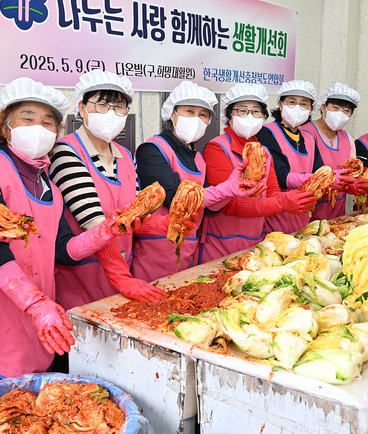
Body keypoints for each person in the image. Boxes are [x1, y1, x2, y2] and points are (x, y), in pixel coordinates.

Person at [0, 78, 134, 407]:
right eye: (27, 118)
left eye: (48, 122)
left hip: (27, 332)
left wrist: (104, 232)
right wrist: (36, 304)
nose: (38, 128)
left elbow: (62, 250)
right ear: (5, 127)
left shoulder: (49, 186)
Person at [50, 70, 167, 308]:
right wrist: (122, 278)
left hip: (122, 268)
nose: (111, 113)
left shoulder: (125, 155)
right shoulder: (65, 152)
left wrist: (165, 224)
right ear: (82, 108)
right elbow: (93, 223)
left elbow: (133, 216)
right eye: (102, 105)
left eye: (119, 107)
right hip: (83, 277)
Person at [133, 80, 257, 281]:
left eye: (203, 115)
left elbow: (209, 209)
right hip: (155, 249)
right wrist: (226, 189)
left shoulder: (198, 158)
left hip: (188, 249)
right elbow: (175, 199)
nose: (196, 119)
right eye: (189, 111)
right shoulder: (152, 150)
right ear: (172, 114)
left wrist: (232, 189)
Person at [199, 83, 317, 263]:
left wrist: (296, 198)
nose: (250, 116)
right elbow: (230, 205)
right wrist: (283, 204)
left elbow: (272, 192)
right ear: (229, 115)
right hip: (221, 242)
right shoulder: (217, 147)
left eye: (256, 111)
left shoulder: (264, 151)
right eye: (242, 111)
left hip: (255, 241)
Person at [256, 80, 351, 234]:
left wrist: (337, 179)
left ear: (311, 109)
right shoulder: (266, 133)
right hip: (275, 220)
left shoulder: (308, 138)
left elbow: (320, 171)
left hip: (303, 219)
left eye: (304, 104)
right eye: (292, 102)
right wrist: (322, 178)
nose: (297, 108)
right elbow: (280, 176)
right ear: (280, 104)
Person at [301, 82, 368, 220]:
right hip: (308, 210)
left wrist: (355, 185)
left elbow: (352, 175)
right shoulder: (305, 133)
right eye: (335, 108)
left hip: (337, 212)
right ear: (323, 107)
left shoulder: (347, 139)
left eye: (346, 111)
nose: (341, 114)